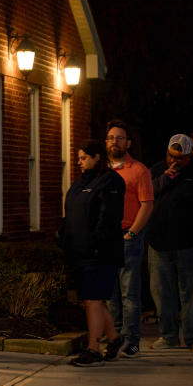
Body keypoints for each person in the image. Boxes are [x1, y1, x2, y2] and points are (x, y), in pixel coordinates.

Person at [147, 134, 193, 352]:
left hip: (192, 244)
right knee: (162, 292)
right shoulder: (157, 170)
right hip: (160, 242)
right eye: (172, 156)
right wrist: (165, 178)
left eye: (181, 158)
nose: (175, 161)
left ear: (190, 155)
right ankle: (168, 336)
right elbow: (145, 196)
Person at [60, 139, 125, 367]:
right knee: (94, 300)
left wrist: (96, 244)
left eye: (83, 158)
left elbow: (108, 218)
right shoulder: (80, 183)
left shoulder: (111, 181)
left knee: (94, 299)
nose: (79, 162)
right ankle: (114, 339)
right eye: (78, 158)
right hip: (80, 252)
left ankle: (93, 349)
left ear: (98, 157)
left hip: (100, 253)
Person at [104, 119, 154, 358]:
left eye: (120, 138)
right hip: (105, 239)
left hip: (128, 238)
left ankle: (132, 341)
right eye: (111, 138)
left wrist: (132, 232)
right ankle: (114, 339)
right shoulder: (101, 170)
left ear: (129, 142)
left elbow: (147, 205)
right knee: (110, 294)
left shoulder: (139, 171)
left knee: (129, 293)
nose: (115, 142)